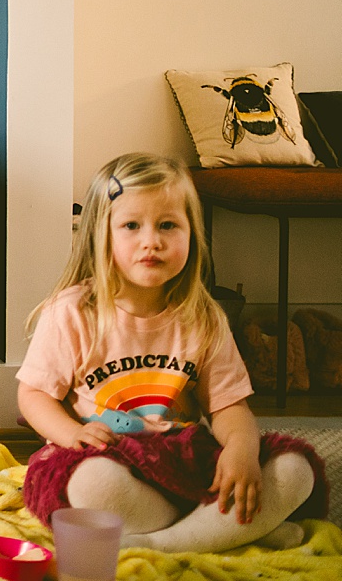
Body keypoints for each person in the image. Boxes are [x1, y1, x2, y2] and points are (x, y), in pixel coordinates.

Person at [17, 152, 329, 553]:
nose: (152, 240)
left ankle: (158, 543)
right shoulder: (73, 311)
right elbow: (33, 396)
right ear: (101, 233)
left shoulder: (203, 316)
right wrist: (71, 433)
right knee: (93, 484)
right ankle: (225, 535)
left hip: (183, 464)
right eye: (131, 225)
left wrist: (240, 450)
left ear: (191, 235)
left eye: (168, 225)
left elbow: (229, 408)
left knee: (294, 470)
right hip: (107, 458)